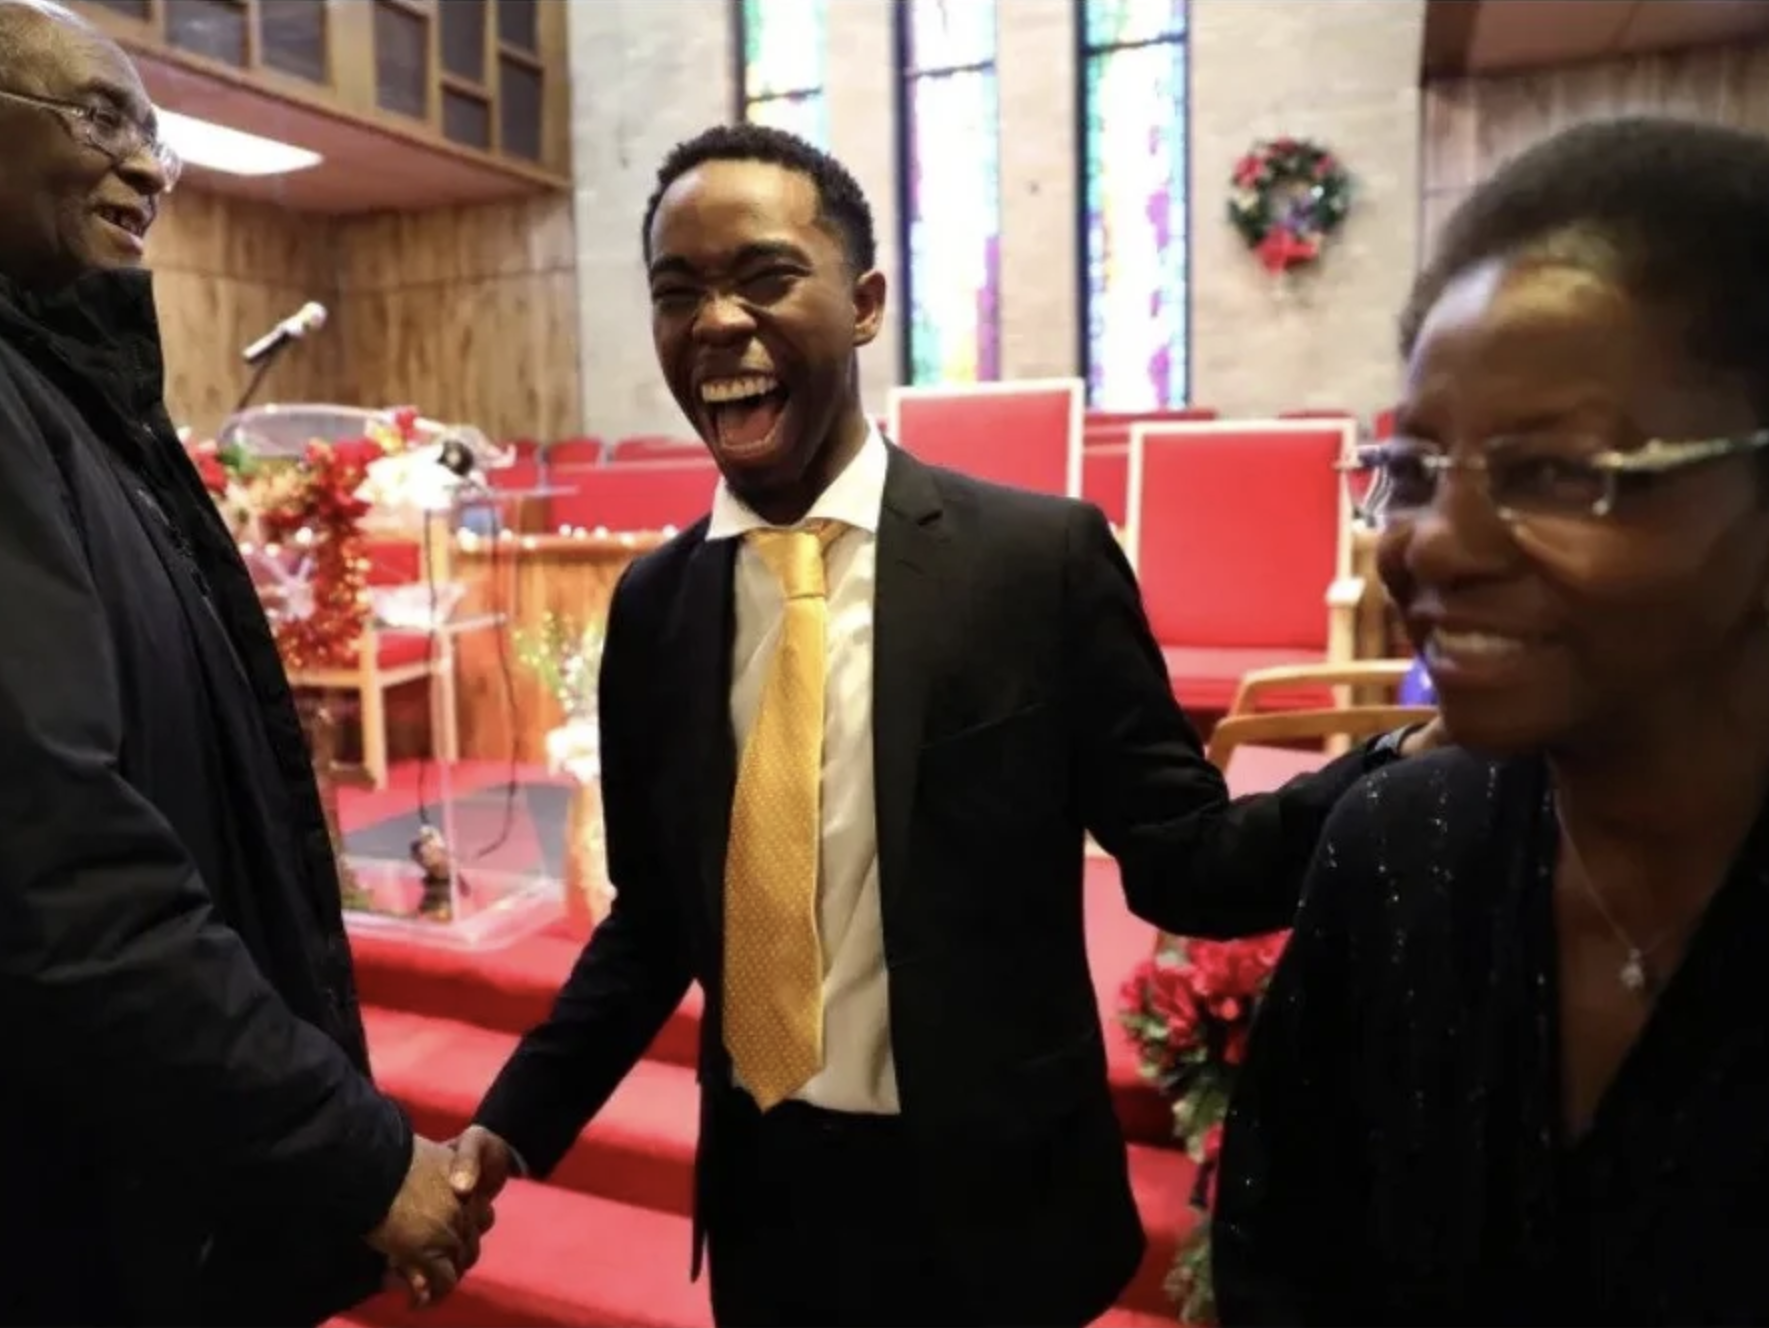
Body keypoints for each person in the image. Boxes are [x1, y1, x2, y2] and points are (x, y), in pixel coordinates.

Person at [445, 123, 1437, 1327]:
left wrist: (1400, 770)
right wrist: (511, 1120)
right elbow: (657, 919)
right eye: (677, 291)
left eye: (763, 277)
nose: (715, 321)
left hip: (993, 1211)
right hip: (774, 1219)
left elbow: (1188, 860)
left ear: (862, 305)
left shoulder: (1035, 563)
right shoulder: (657, 607)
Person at [0, 3, 479, 1322]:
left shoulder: (5, 361)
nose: (148, 170)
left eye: (159, 143)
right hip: (5, 1210)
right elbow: (40, 861)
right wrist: (345, 1151)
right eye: (105, 121)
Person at [1213, 117, 1769, 1326]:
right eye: (1410, 467)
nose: (1430, 541)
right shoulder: (1392, 847)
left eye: (1553, 471)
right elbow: (1281, 1266)